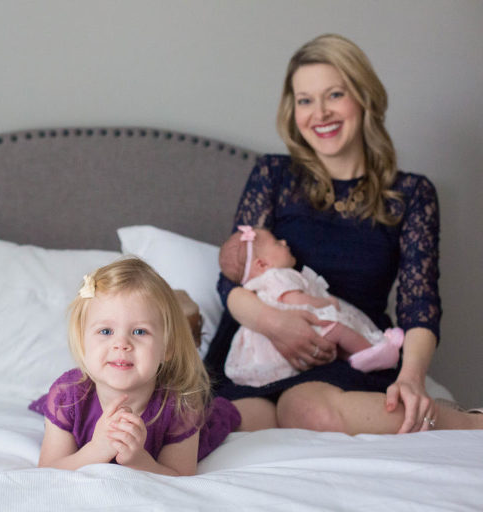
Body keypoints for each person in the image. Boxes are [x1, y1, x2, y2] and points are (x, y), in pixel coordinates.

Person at [204, 33, 483, 434]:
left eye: (334, 95)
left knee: (306, 411)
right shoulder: (274, 175)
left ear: (363, 97)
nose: (319, 113)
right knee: (227, 424)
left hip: (346, 352)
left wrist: (412, 376)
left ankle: (469, 423)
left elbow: (419, 304)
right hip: (258, 348)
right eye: (305, 100)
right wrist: (276, 324)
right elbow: (230, 282)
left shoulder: (410, 195)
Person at [30, 257, 240, 476]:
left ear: (166, 348)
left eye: (139, 332)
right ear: (83, 342)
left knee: (223, 415)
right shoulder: (66, 397)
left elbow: (180, 475)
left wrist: (138, 460)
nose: (121, 344)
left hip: (189, 420)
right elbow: (47, 470)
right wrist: (96, 450)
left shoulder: (181, 407)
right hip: (77, 405)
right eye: (106, 331)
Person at [220, 225, 404, 387]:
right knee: (337, 329)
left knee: (332, 344)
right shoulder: (277, 276)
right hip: (298, 325)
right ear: (262, 263)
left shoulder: (261, 283)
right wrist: (325, 302)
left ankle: (357, 355)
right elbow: (295, 301)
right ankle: (370, 351)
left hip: (288, 333)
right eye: (277, 243)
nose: (284, 242)